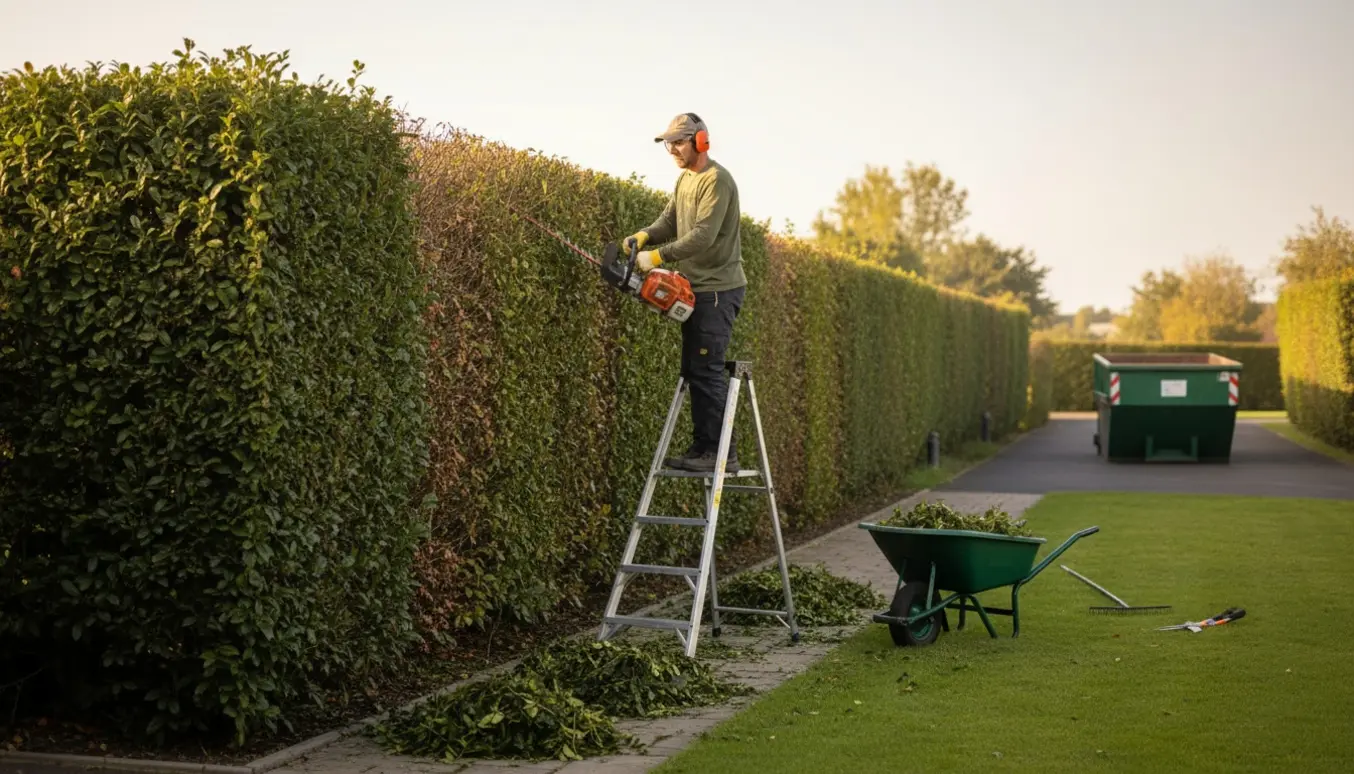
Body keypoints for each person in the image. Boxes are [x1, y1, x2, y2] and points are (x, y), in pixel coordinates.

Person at [622, 112, 747, 474]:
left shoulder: (716, 180)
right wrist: (644, 236)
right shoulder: (685, 181)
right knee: (694, 369)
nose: (672, 149)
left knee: (707, 369)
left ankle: (723, 454)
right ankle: (703, 446)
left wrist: (658, 256)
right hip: (698, 289)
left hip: (719, 290)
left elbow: (703, 235)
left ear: (700, 141)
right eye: (668, 143)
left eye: (678, 142)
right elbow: (669, 221)